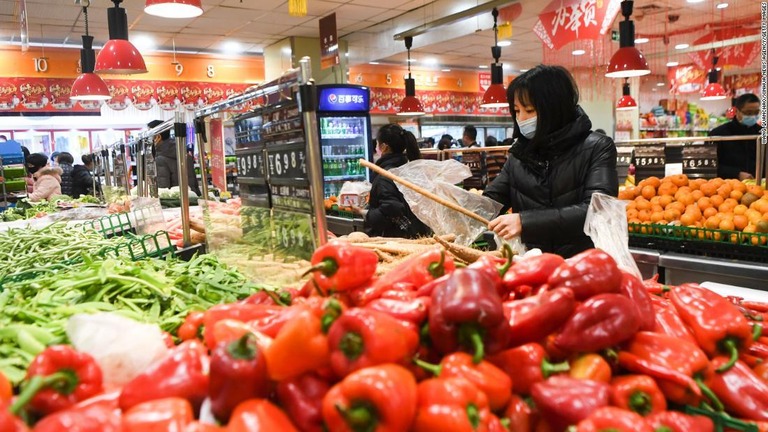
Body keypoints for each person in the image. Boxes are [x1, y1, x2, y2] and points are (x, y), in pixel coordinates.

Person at [483, 65, 618, 257]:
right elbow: (490, 202)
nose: (521, 119)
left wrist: (525, 221)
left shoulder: (597, 147)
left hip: (580, 266)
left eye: (529, 110)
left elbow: (598, 211)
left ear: (554, 108)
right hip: (531, 266)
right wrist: (452, 201)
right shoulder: (519, 156)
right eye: (517, 111)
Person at [352, 123, 431, 238]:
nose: (376, 148)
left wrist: (362, 212)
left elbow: (392, 208)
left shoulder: (385, 176)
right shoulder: (407, 169)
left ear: (384, 147)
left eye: (378, 144)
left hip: (396, 239)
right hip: (417, 234)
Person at [709, 93, 761, 179]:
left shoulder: (762, 133)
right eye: (748, 113)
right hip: (728, 186)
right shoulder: (718, 134)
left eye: (756, 113)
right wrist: (736, 173)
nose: (753, 116)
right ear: (737, 111)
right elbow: (710, 165)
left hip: (760, 184)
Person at [147, 120, 201, 196]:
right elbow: (195, 184)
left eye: (149, 137)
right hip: (192, 200)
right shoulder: (183, 153)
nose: (147, 141)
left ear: (158, 137)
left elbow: (163, 191)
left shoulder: (160, 159)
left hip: (173, 203)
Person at [460, 125, 487, 190]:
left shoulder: (468, 151)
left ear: (466, 137)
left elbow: (467, 171)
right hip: (481, 185)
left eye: (462, 136)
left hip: (471, 186)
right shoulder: (481, 149)